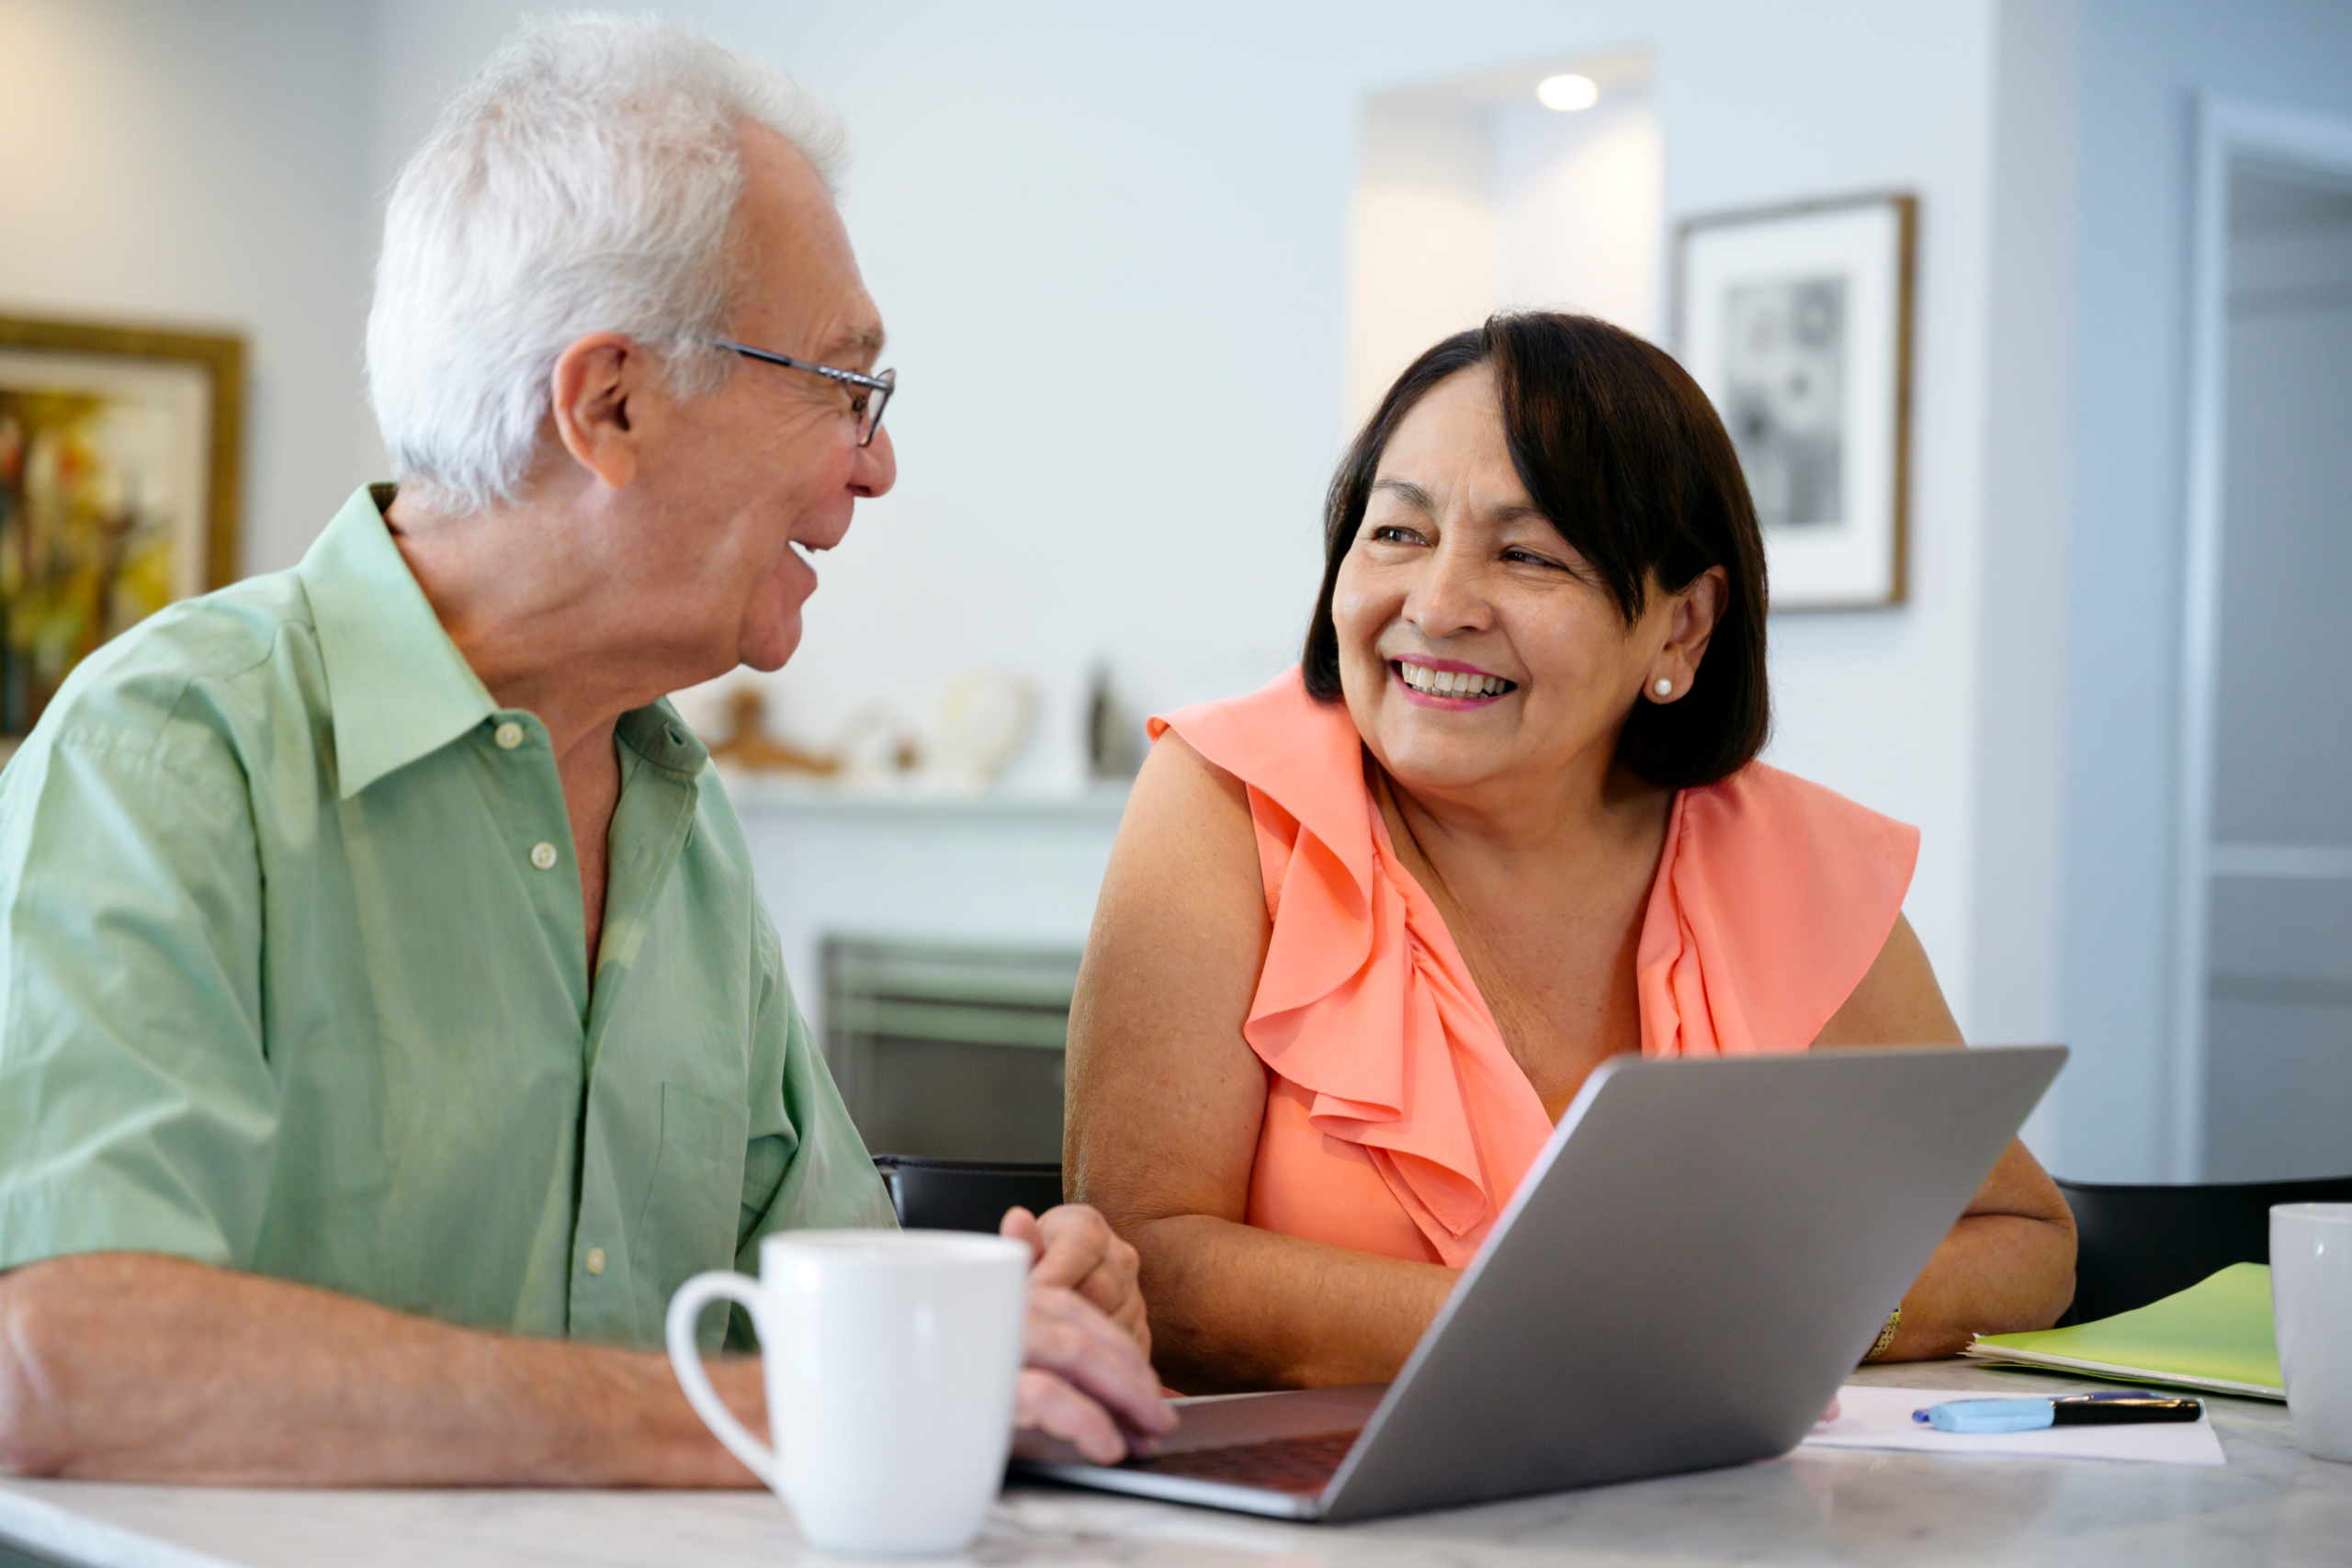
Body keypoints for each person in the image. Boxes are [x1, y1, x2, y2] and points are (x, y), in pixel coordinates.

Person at [0, 16, 1170, 1482]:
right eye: (840, 385)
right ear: (608, 401)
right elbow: (62, 1362)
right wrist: (773, 1413)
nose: (875, 463)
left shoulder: (681, 810)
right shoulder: (169, 754)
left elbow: (820, 1300)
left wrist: (1007, 1321)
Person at [1065, 313, 2076, 1394]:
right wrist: (1599, 1337)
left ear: (1682, 626)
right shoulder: (1227, 798)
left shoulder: (1783, 859)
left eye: (1527, 555)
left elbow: (2021, 1241)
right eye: (1397, 535)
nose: (1439, 606)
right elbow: (1145, 1264)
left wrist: (1791, 1320)